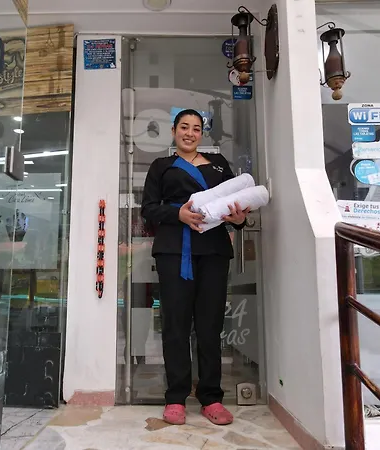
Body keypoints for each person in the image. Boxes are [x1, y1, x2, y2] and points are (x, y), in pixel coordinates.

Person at [141, 109, 249, 426]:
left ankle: (211, 398)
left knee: (209, 325)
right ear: (174, 131)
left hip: (213, 250)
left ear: (202, 134)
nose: (190, 133)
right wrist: (179, 215)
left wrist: (239, 219)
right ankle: (175, 397)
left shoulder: (219, 165)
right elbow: (149, 209)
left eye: (196, 128)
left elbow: (235, 203)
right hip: (174, 251)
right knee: (175, 324)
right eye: (184, 127)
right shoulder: (161, 166)